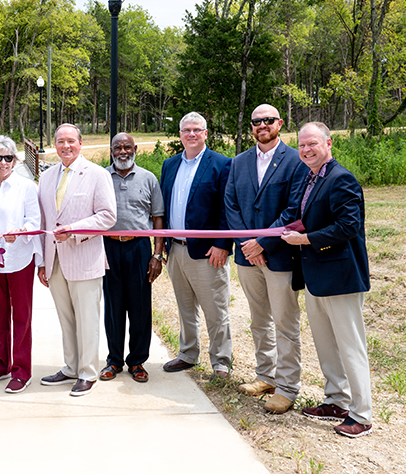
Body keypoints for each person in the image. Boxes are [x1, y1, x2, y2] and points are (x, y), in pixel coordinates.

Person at [280, 122, 373, 438]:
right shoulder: (309, 178)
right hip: (315, 277)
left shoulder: (341, 178)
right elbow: (310, 218)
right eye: (301, 145)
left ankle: (362, 414)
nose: (306, 150)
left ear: (328, 143)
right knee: (326, 345)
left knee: (350, 347)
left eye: (312, 144)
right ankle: (335, 401)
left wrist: (304, 241)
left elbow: (348, 227)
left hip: (341, 277)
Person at [224, 105, 310, 413]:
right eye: (257, 121)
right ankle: (266, 376)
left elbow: (293, 211)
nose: (263, 125)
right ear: (251, 126)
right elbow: (230, 205)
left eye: (268, 120)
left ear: (280, 123)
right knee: (259, 321)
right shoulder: (239, 162)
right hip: (247, 258)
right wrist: (247, 246)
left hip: (279, 255)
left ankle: (287, 387)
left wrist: (262, 243)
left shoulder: (296, 162)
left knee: (285, 322)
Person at [37, 123, 117, 397]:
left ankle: (88, 372)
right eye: (60, 141)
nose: (66, 146)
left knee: (87, 320)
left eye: (71, 141)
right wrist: (42, 262)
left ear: (80, 144)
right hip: (55, 259)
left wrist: (73, 231)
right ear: (55, 145)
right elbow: (44, 220)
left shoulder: (96, 174)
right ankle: (70, 366)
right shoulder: (47, 177)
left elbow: (107, 215)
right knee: (66, 319)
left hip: (84, 257)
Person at [159, 112, 234, 379]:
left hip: (207, 252)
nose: (191, 134)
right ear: (180, 135)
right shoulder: (169, 165)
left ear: (205, 133)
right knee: (185, 306)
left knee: (215, 308)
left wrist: (223, 244)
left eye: (197, 130)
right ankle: (188, 353)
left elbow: (228, 209)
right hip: (176, 249)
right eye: (186, 130)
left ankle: (221, 360)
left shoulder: (222, 164)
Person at [0, 135, 40, 394]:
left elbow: (35, 220)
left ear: (15, 159)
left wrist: (22, 230)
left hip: (21, 259)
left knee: (22, 316)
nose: (3, 162)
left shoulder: (26, 187)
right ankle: (1, 364)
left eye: (8, 157)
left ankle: (22, 371)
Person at [100, 132, 164, 384]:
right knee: (113, 307)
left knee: (139, 307)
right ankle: (114, 360)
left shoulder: (148, 178)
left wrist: (157, 255)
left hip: (139, 248)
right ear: (111, 150)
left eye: (127, 147)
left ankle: (137, 361)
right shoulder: (102, 177)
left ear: (135, 148)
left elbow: (158, 217)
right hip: (108, 247)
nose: (123, 152)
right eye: (118, 147)